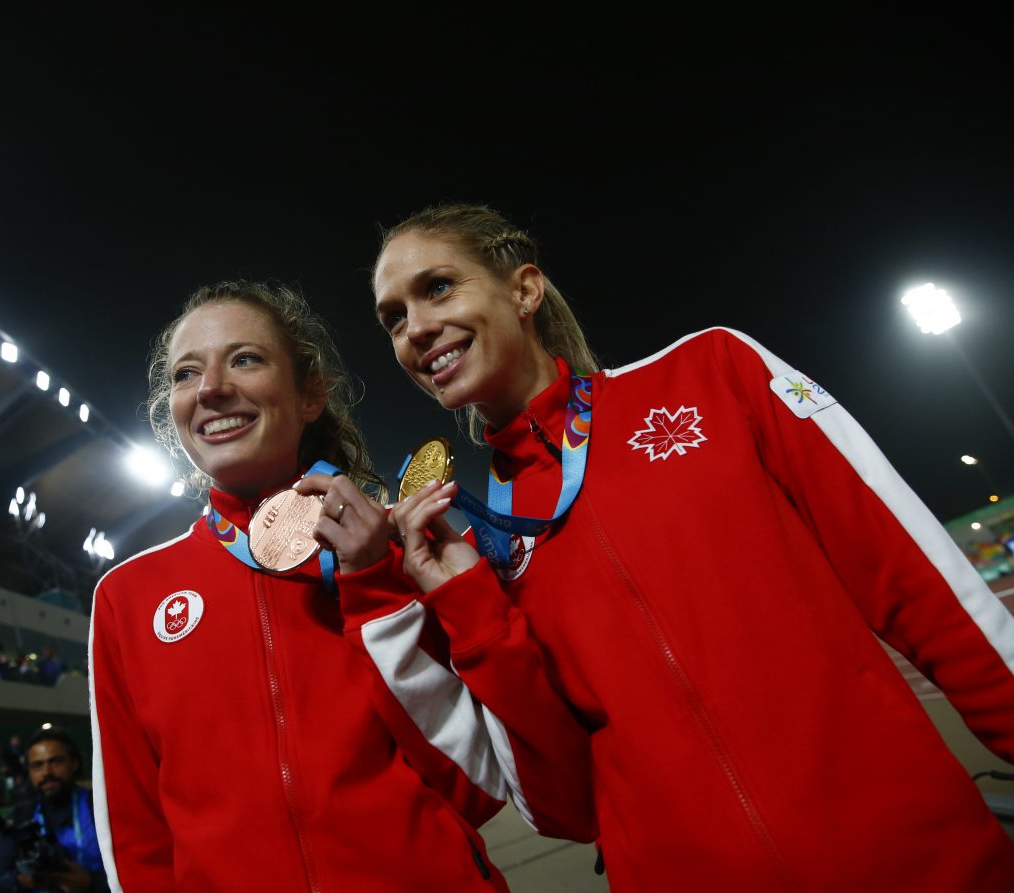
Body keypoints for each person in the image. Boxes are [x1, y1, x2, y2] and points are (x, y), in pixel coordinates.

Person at [361, 202, 1014, 890]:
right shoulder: (480, 537)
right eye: (394, 318)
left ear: (524, 290)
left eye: (437, 287)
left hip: (922, 865)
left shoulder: (712, 374)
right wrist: (468, 605)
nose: (416, 330)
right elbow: (564, 806)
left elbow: (921, 588)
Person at [89, 281, 511, 891]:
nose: (210, 388)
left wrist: (375, 588)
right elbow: (136, 835)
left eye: (245, 358)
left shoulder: (404, 549)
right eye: (186, 373)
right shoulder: (129, 595)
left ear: (310, 393)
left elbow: (480, 786)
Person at [0, 730, 104, 893]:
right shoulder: (21, 816)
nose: (46, 772)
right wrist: (20, 880)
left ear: (74, 763)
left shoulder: (101, 807)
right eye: (37, 765)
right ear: (29, 772)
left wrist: (92, 881)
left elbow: (133, 870)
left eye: (56, 762)